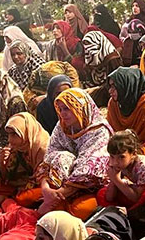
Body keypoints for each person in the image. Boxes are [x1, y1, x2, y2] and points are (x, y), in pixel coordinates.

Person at [42, 89, 112, 219]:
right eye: (60, 109)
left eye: (67, 109)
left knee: (78, 210)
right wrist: (46, 188)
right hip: (61, 186)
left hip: (90, 186)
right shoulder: (62, 126)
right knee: (62, 157)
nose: (63, 114)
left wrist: (54, 197)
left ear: (80, 107)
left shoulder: (99, 130)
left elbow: (89, 170)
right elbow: (49, 155)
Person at [96, 130, 145, 213]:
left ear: (133, 154)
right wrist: (114, 180)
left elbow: (137, 198)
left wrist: (116, 179)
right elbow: (109, 198)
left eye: (121, 157)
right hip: (135, 189)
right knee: (102, 193)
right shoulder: (117, 164)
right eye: (112, 156)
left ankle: (128, 214)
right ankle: (119, 212)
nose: (115, 162)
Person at [106, 68, 145, 157]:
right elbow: (110, 132)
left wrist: (131, 151)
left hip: (141, 149)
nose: (110, 91)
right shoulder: (114, 103)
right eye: (110, 86)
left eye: (114, 86)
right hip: (118, 147)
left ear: (127, 85)